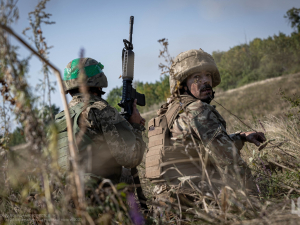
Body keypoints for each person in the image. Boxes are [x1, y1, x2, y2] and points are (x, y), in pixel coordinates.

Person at [145, 49, 266, 207]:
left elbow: (196, 149)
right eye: (197, 77)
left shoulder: (168, 113)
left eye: (208, 75)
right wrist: (253, 199)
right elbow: (230, 161)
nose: (205, 81)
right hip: (195, 202)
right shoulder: (197, 109)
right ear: (182, 85)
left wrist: (242, 137)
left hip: (166, 205)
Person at [55, 57, 146, 185]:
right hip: (96, 197)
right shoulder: (101, 111)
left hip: (61, 197)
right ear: (98, 81)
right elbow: (131, 158)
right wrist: (136, 126)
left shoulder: (58, 119)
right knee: (126, 176)